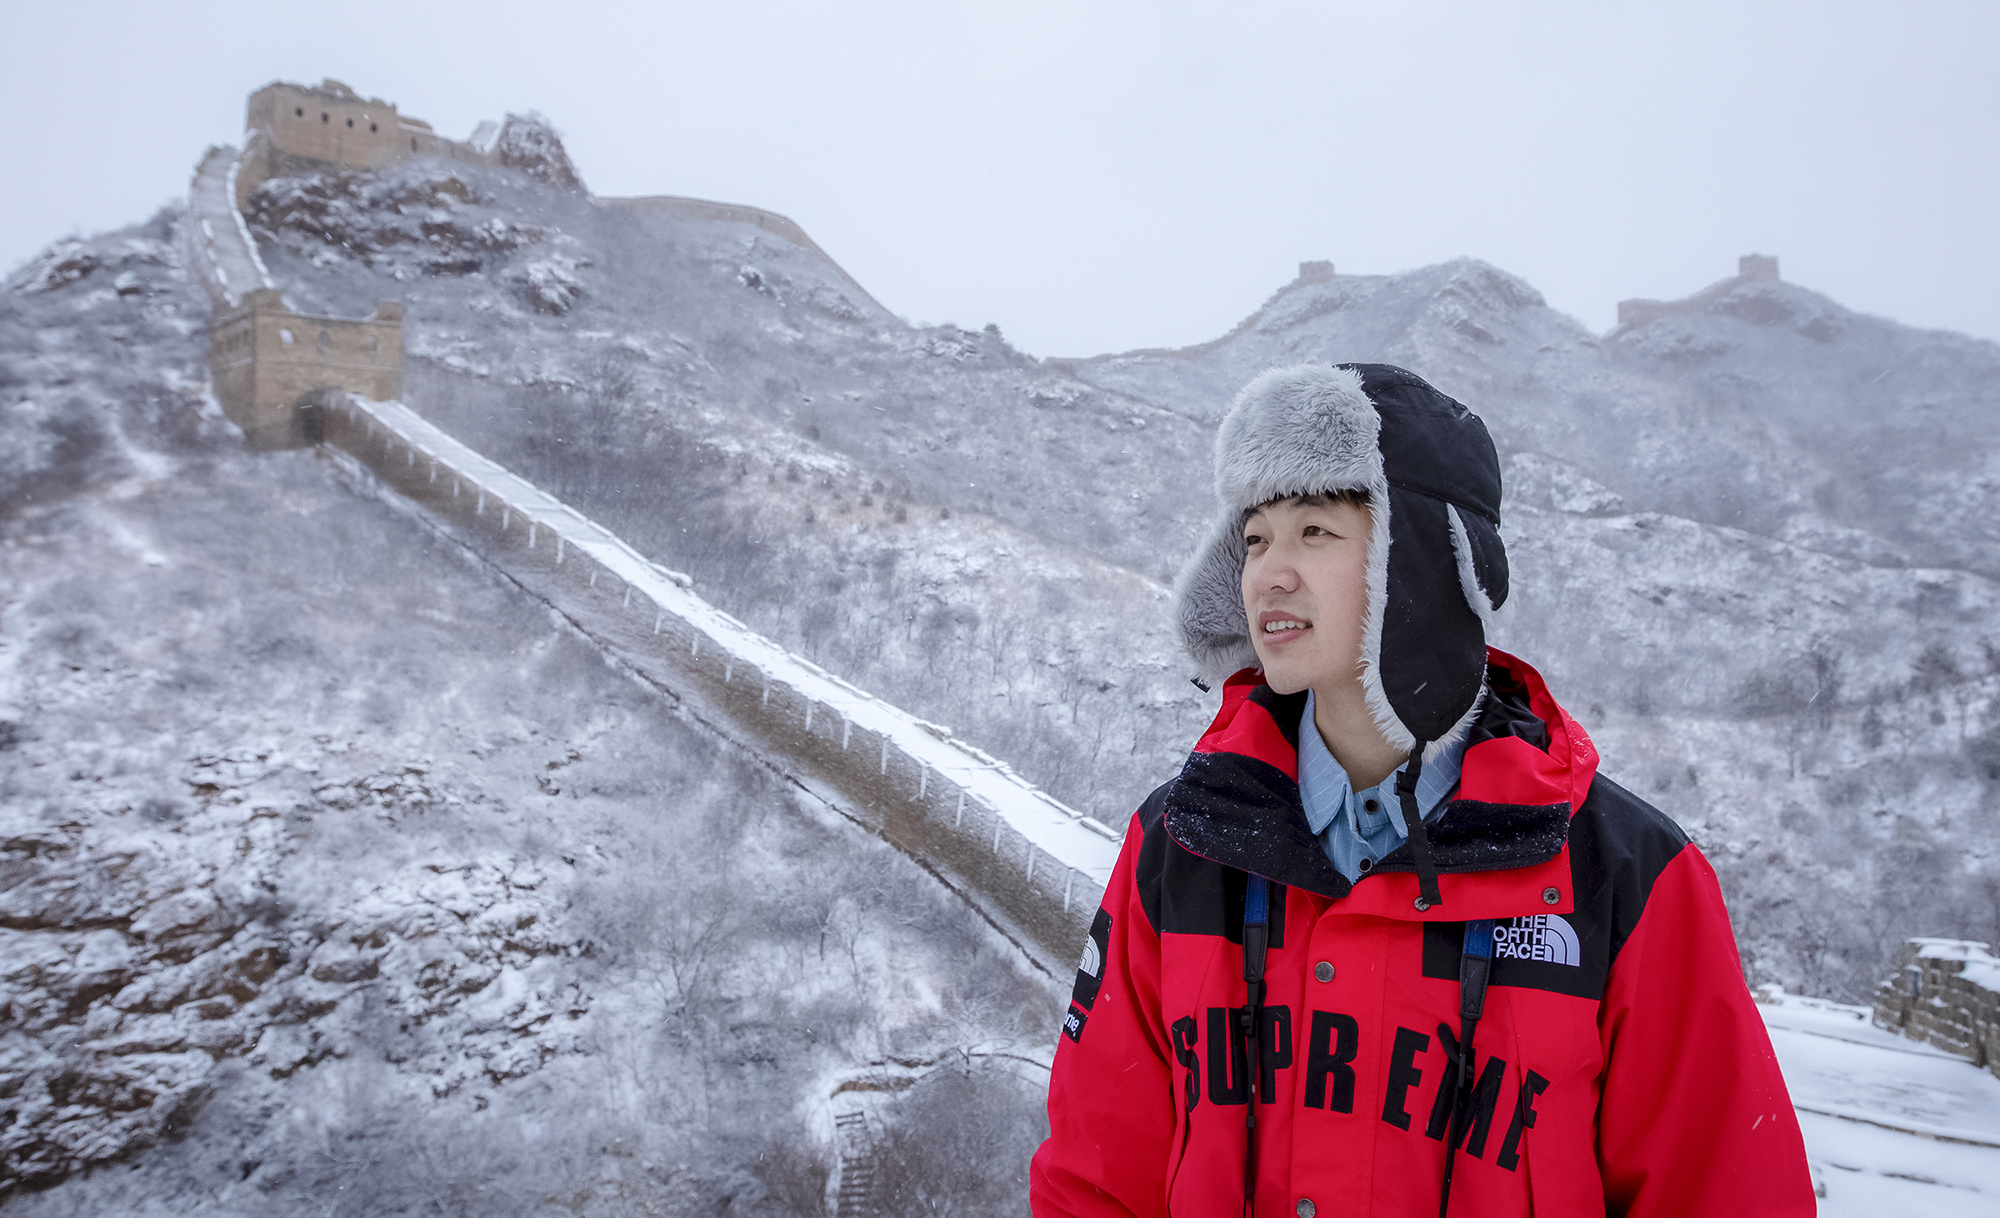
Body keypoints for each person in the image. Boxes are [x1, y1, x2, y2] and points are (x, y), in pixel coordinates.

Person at [1030, 363, 1814, 1217]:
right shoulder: (1183, 841)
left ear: (1431, 560)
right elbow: (1096, 1176)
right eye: (1255, 537)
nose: (1269, 575)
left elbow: (1723, 1189)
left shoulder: (1626, 876)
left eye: (1316, 532)